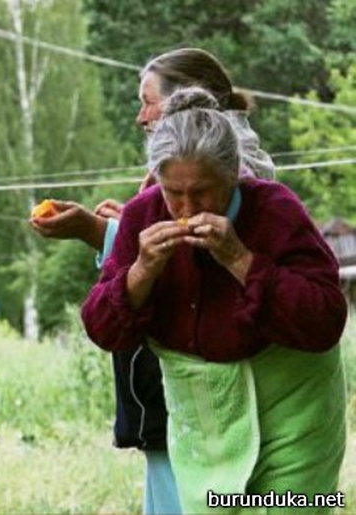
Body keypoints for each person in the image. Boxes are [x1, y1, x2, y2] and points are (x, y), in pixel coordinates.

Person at [30, 48, 276, 515]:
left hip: (207, 395)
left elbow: (198, 262)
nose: (141, 116)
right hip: (175, 396)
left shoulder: (237, 171)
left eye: (149, 102)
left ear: (187, 104)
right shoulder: (190, 164)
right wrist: (118, 232)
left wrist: (96, 231)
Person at [81, 87, 347, 514]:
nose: (186, 207)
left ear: (233, 175)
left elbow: (325, 320)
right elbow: (101, 328)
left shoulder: (275, 210)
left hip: (294, 410)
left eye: (202, 192)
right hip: (204, 422)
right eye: (173, 192)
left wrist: (240, 259)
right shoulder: (141, 216)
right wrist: (142, 271)